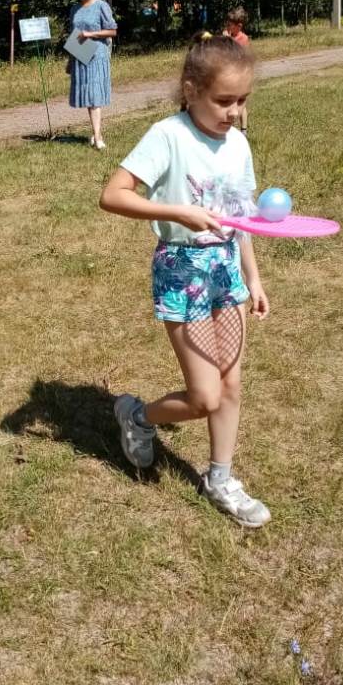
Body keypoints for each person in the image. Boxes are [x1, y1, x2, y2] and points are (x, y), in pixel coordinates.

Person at [99, 32, 271, 528]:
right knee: (204, 397)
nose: (235, 112)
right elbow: (113, 195)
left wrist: (253, 278)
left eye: (242, 100)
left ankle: (221, 478)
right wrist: (177, 211)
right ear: (191, 90)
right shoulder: (168, 136)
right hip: (182, 270)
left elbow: (239, 218)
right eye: (224, 100)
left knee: (231, 385)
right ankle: (137, 417)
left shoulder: (238, 144)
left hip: (225, 271)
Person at [67, 0, 117, 149]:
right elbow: (73, 35)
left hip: (97, 55)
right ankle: (96, 133)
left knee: (95, 96)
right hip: (80, 55)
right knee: (89, 96)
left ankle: (97, 137)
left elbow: (112, 30)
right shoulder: (74, 9)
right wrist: (70, 60)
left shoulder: (101, 6)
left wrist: (90, 34)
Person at [223, 7, 250, 133]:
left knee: (240, 102)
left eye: (230, 25)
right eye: (227, 24)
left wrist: (228, 40)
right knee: (229, 102)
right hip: (229, 75)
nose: (228, 26)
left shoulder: (243, 38)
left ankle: (243, 130)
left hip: (240, 75)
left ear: (239, 26)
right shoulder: (228, 36)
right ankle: (229, 128)